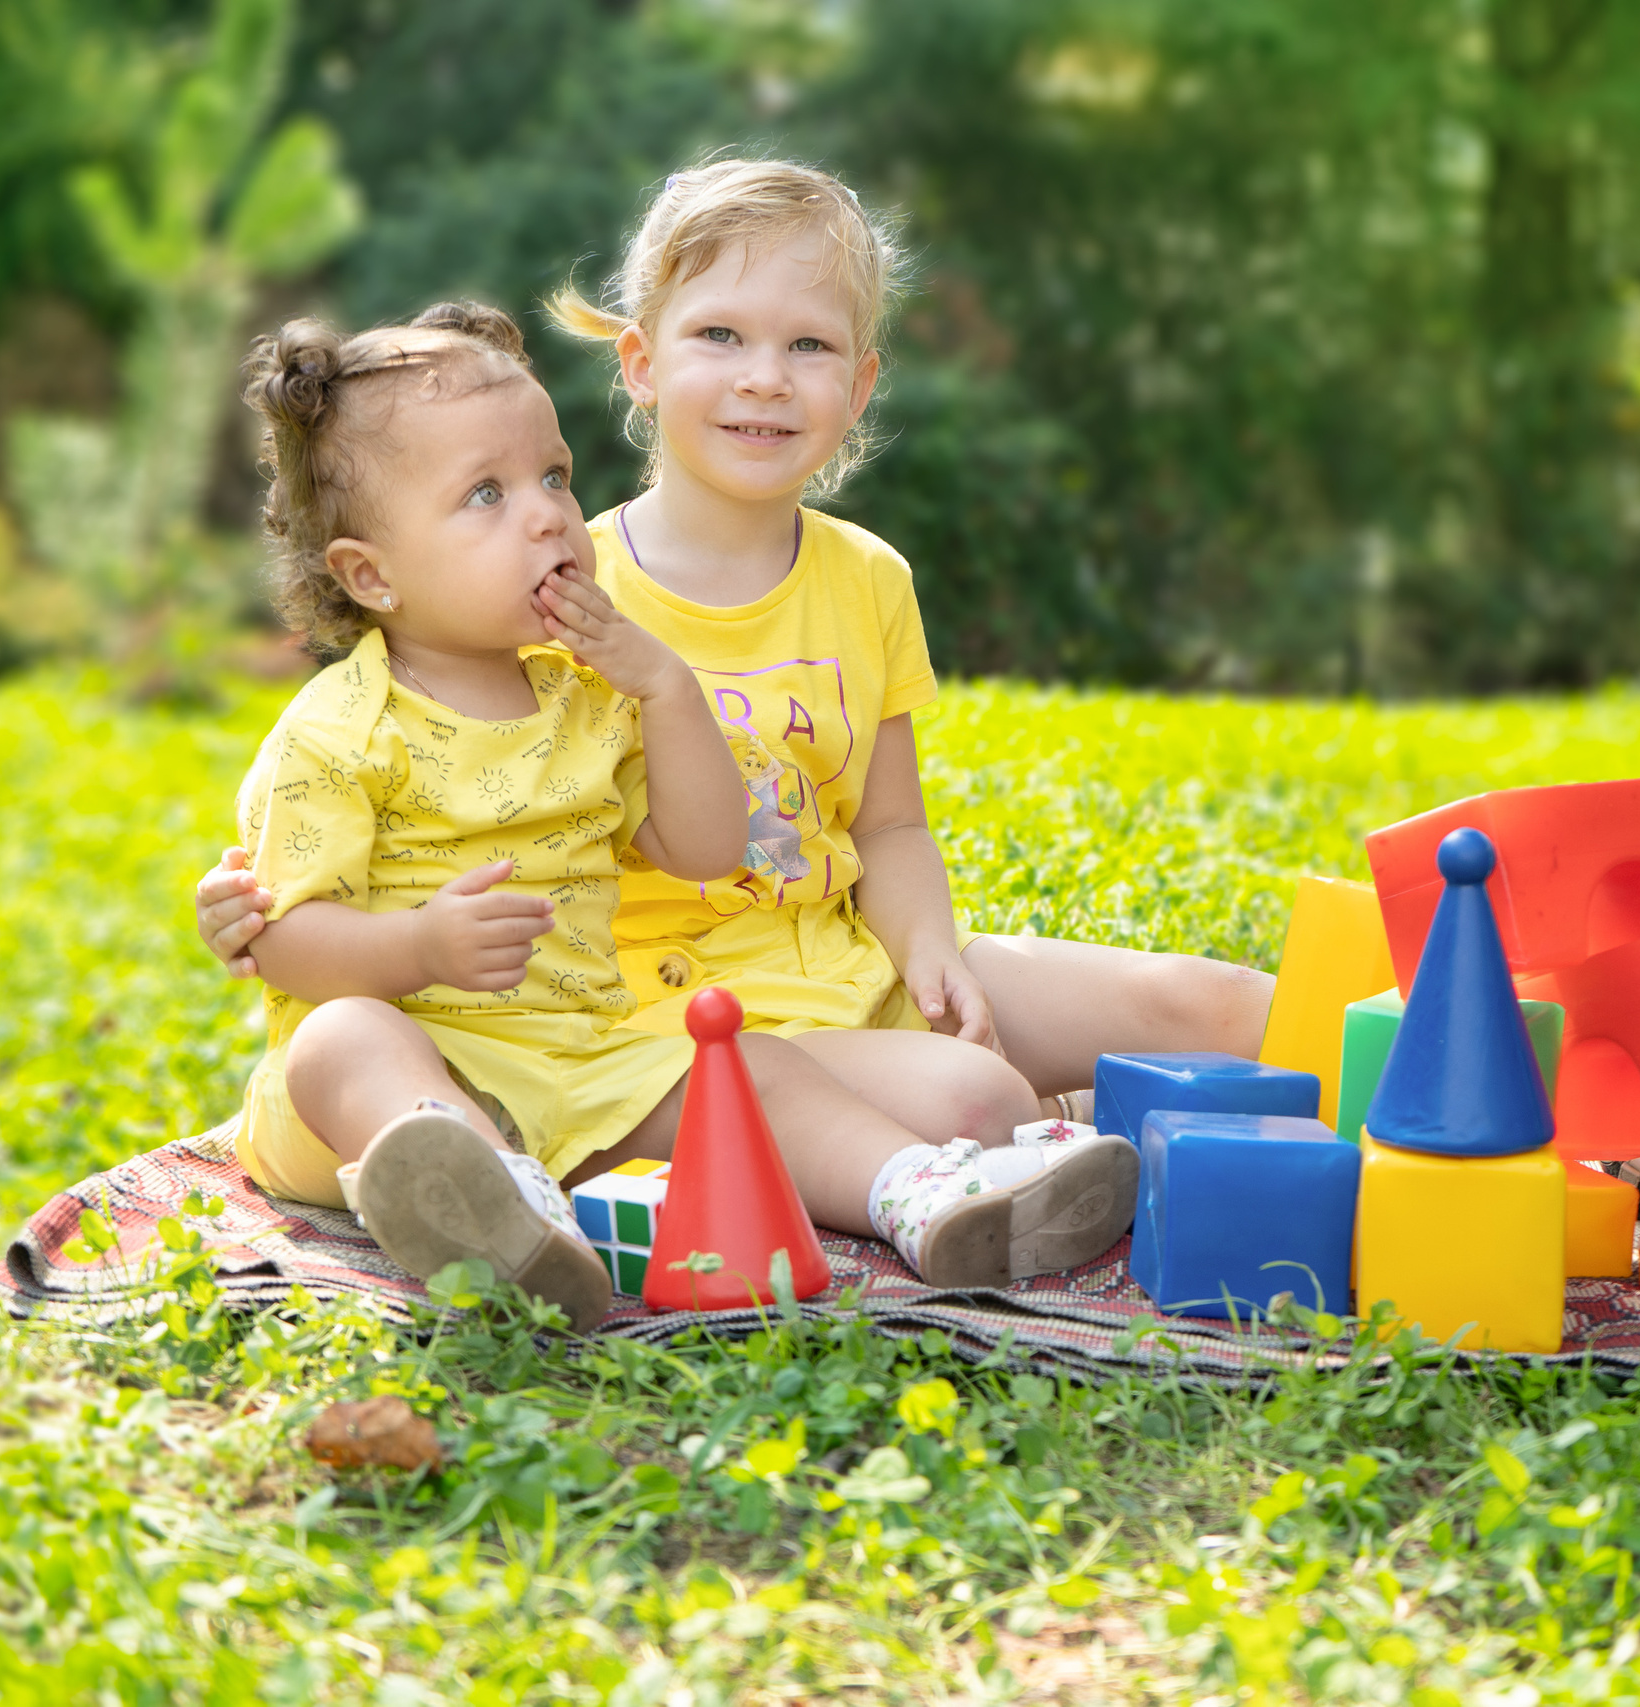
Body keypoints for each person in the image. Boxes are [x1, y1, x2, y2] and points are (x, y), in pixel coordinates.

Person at [223, 301, 1137, 1325]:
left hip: (578, 1064)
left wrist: (667, 689)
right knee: (342, 1037)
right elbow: (287, 940)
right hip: (386, 1094)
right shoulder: (338, 731)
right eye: (486, 494)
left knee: (748, 1069)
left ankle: (920, 1192)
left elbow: (703, 851)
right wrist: (421, 947)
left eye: (554, 478)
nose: (546, 515)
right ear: (370, 575)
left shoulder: (584, 695)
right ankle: (484, 1203)